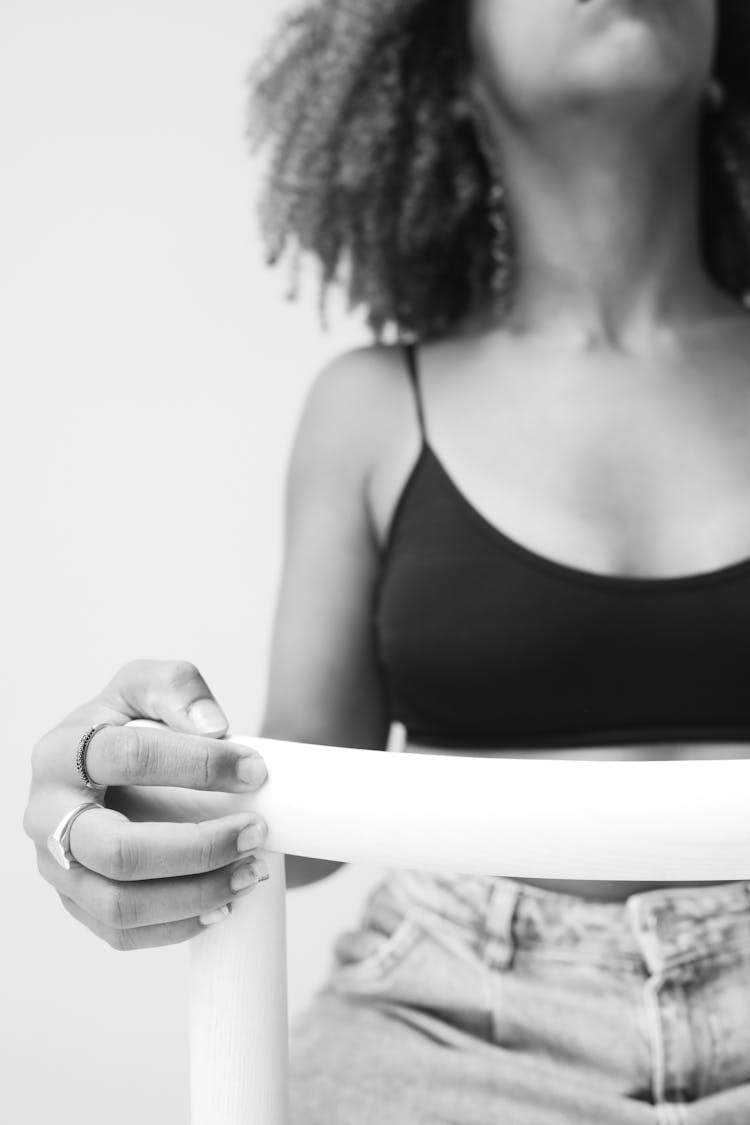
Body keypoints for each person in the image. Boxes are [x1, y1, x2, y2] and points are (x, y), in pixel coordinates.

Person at [23, 0, 750, 1120]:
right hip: (449, 1022)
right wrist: (125, 786)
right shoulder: (370, 413)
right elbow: (289, 821)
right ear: (444, 63)